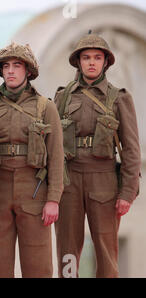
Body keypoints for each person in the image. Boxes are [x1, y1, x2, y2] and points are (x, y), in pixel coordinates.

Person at [0, 42, 64, 277]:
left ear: (28, 71)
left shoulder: (46, 107)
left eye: (17, 65)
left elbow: (55, 156)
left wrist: (53, 199)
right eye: (6, 66)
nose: (10, 71)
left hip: (34, 189)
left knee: (38, 266)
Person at [54, 32, 141, 278]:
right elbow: (52, 144)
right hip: (69, 179)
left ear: (106, 62)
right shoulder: (62, 96)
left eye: (97, 57)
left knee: (106, 250)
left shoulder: (120, 98)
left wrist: (127, 192)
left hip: (104, 179)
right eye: (86, 57)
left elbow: (132, 149)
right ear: (78, 62)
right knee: (67, 251)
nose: (91, 62)